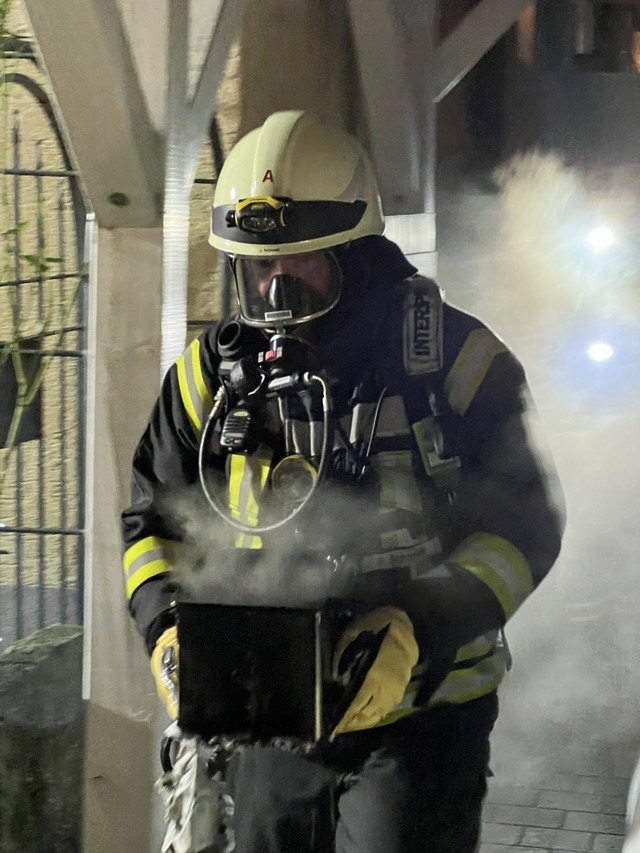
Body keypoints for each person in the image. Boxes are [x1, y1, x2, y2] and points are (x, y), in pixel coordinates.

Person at [121, 109, 565, 853]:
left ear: (358, 254)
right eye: (259, 267)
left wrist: (414, 632)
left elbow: (527, 527)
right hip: (270, 710)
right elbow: (151, 520)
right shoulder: (208, 380)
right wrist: (166, 630)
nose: (274, 290)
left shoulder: (454, 365)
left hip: (423, 714)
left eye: (301, 264)